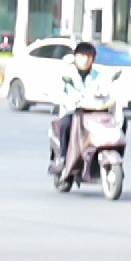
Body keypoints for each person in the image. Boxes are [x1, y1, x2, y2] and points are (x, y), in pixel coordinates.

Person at [46, 38, 105, 186]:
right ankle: (63, 158)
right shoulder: (67, 76)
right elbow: (59, 93)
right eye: (81, 56)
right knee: (66, 124)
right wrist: (70, 103)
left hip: (93, 115)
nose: (85, 60)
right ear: (75, 57)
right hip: (72, 113)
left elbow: (106, 92)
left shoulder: (98, 77)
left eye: (88, 57)